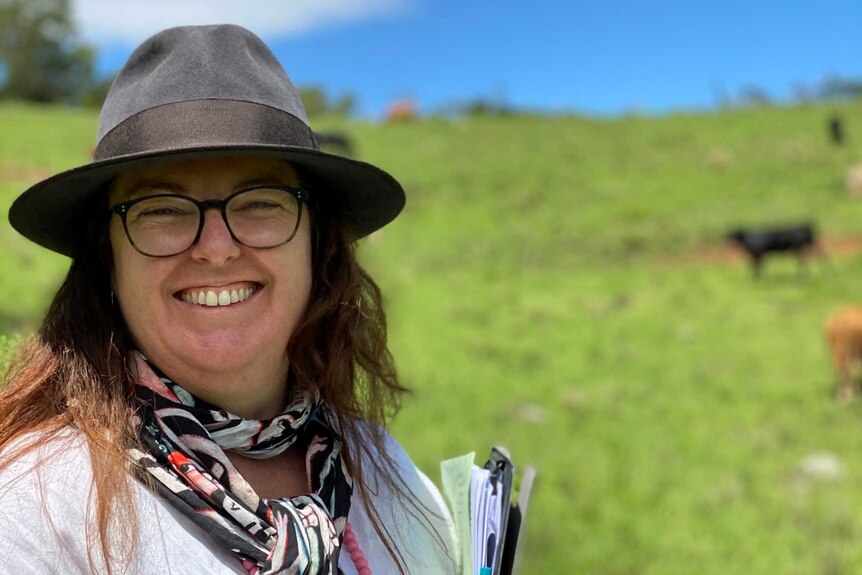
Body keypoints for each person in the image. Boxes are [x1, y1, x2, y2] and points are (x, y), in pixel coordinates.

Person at [0, 24, 456, 575]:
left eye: (261, 203)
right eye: (162, 209)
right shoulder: (32, 513)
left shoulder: (387, 471)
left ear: (318, 245)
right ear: (108, 260)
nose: (216, 249)